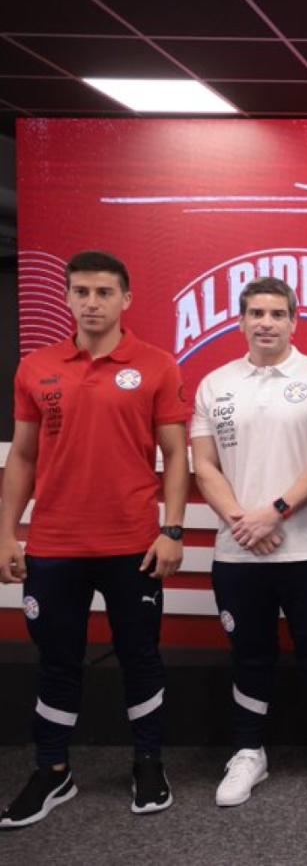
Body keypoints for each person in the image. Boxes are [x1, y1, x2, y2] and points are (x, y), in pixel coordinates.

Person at [0, 251, 189, 829]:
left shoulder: (156, 366)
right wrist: (8, 532)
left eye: (104, 292)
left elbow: (178, 453)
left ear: (126, 299)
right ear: (66, 298)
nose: (92, 302)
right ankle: (53, 770)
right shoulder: (36, 367)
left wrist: (172, 529)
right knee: (57, 660)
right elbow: (24, 455)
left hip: (133, 542)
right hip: (55, 546)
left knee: (140, 658)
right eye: (81, 291)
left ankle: (149, 762)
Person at [190, 277, 307, 807]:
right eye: (256, 313)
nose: (266, 322)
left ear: (293, 320)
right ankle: (248, 754)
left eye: (277, 314)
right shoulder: (215, 384)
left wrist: (275, 511)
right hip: (239, 550)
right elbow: (203, 464)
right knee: (250, 655)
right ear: (240, 321)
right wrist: (243, 520)